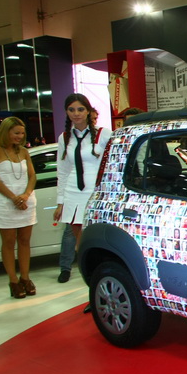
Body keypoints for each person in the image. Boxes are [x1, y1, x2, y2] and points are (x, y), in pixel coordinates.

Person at [54, 94, 112, 303]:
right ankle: (91, 293)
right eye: (71, 110)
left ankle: (102, 289)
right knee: (82, 245)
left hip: (95, 193)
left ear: (88, 111)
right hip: (72, 193)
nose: (76, 114)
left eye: (80, 109)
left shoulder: (104, 134)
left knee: (98, 243)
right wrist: (60, 201)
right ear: (67, 112)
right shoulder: (64, 138)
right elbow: (62, 171)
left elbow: (115, 164)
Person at [0, 117, 37, 299]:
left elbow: (32, 176)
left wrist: (25, 195)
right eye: (16, 132)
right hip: (5, 203)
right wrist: (13, 198)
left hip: (26, 202)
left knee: (25, 241)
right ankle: (13, 281)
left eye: (22, 133)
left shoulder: (24, 152)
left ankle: (25, 278)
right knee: (8, 243)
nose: (20, 136)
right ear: (5, 131)